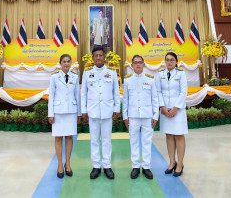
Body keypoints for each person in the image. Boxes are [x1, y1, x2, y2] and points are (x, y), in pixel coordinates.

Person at [81, 46, 120, 179]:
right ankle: (96, 166)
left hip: (107, 111)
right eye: (96, 55)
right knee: (94, 140)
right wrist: (84, 110)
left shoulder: (112, 73)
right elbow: (84, 94)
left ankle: (107, 166)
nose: (98, 57)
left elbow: (116, 92)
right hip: (92, 112)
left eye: (100, 55)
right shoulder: (87, 73)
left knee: (106, 140)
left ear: (104, 57)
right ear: (92, 58)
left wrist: (116, 108)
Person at [123, 55, 159, 179]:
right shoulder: (127, 80)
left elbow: (155, 98)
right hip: (133, 116)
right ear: (132, 65)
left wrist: (155, 115)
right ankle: (135, 167)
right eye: (135, 63)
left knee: (147, 141)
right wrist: (125, 116)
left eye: (140, 62)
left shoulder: (150, 79)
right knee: (133, 141)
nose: (138, 65)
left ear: (144, 65)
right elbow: (125, 99)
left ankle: (146, 167)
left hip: (147, 115)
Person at [48, 54, 81, 178]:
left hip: (71, 111)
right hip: (58, 112)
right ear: (60, 63)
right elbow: (52, 95)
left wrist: (78, 113)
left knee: (69, 138)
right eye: (64, 61)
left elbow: (77, 95)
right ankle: (60, 164)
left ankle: (68, 163)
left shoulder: (75, 77)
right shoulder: (55, 77)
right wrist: (50, 113)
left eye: (68, 61)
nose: (66, 63)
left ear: (71, 63)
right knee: (58, 138)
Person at [155, 52, 188, 177]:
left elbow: (183, 92)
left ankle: (180, 164)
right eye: (167, 60)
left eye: (172, 60)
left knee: (179, 135)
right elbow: (158, 92)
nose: (169, 62)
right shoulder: (160, 74)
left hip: (177, 110)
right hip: (165, 110)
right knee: (169, 135)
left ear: (176, 61)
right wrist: (163, 107)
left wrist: (175, 108)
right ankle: (171, 162)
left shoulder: (181, 74)